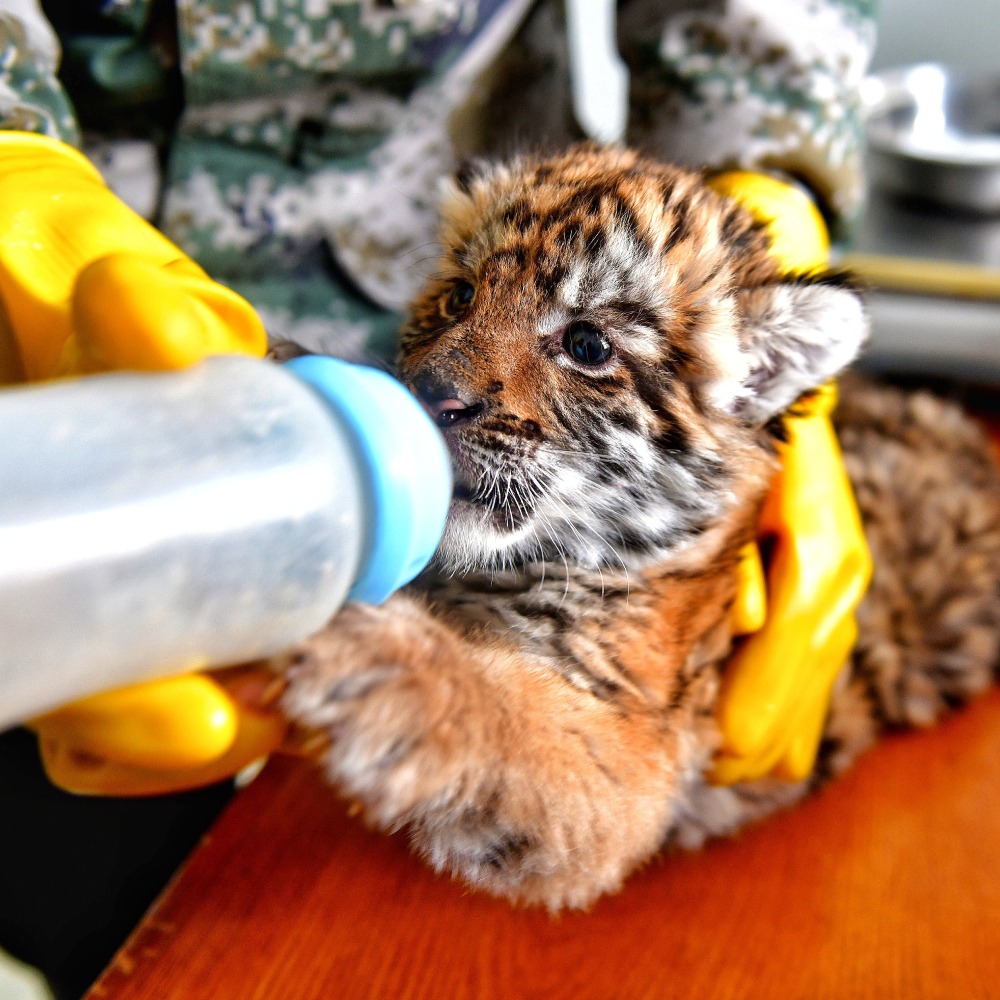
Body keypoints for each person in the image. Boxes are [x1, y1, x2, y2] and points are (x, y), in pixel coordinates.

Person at [0, 1, 874, 995]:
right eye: (460, 298)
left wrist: (436, 694)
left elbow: (588, 802)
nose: (454, 378)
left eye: (585, 350)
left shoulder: (640, 573)